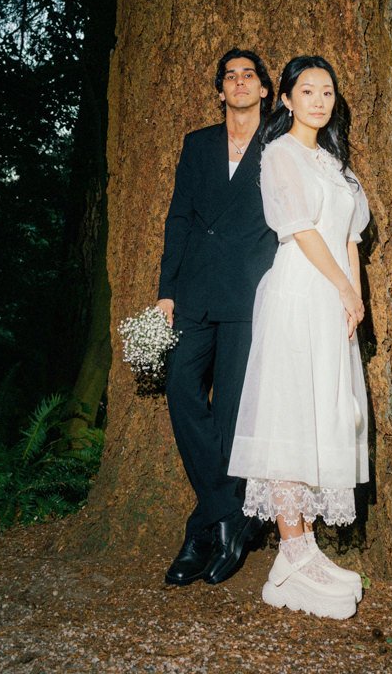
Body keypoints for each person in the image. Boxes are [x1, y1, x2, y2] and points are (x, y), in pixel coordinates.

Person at [228, 55, 370, 619]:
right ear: (284, 99)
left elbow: (350, 238)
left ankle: (306, 549)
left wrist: (355, 298)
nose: (318, 99)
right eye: (306, 90)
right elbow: (302, 229)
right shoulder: (281, 154)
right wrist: (341, 286)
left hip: (333, 298)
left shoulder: (337, 165)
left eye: (327, 91)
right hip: (298, 291)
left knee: (321, 413)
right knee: (289, 411)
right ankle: (288, 555)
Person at [157, 48, 278, 587]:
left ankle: (201, 532)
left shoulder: (278, 145)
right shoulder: (198, 143)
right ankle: (228, 515)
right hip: (194, 289)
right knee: (180, 387)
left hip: (251, 293)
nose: (239, 82)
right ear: (220, 91)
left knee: (231, 411)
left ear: (264, 89)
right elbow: (178, 216)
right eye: (230, 77)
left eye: (248, 75)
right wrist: (166, 292)